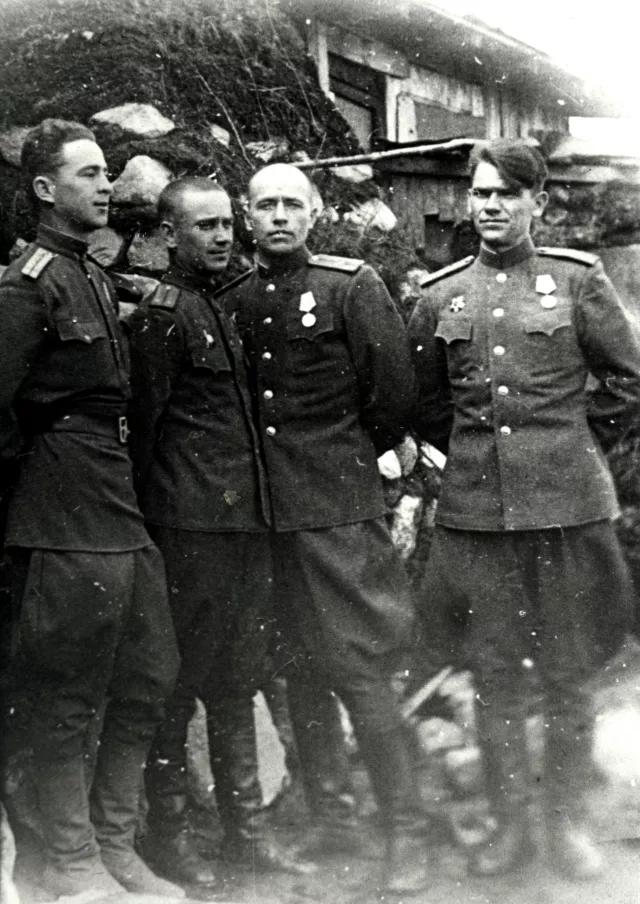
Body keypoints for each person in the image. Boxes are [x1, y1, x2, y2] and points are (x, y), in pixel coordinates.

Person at [408, 139, 640, 880]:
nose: (492, 207)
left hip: (568, 512)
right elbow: (425, 401)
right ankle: (512, 829)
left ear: (538, 201)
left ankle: (563, 824)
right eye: (481, 194)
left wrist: (567, 442)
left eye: (508, 194)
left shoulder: (577, 281)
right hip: (480, 518)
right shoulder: (441, 295)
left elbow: (629, 380)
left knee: (570, 674)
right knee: (495, 674)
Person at [221, 163, 426, 894]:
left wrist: (342, 469)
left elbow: (391, 396)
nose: (278, 216)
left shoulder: (350, 286)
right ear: (247, 217)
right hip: (267, 522)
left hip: (336, 516)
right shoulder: (234, 298)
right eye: (265, 205)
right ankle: (333, 820)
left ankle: (406, 828)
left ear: (314, 214)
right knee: (296, 671)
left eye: (291, 205)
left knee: (359, 670)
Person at [0, 119, 181, 899]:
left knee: (149, 673)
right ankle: (70, 864)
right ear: (45, 189)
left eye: (108, 173)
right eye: (89, 174)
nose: (107, 185)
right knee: (67, 692)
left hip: (116, 504)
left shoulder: (96, 277)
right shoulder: (28, 283)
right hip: (62, 508)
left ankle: (114, 847)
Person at [128, 176, 314, 887]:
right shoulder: (161, 318)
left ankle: (249, 836)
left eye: (225, 223)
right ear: (169, 236)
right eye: (202, 226)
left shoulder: (225, 307)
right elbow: (144, 434)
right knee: (174, 691)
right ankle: (172, 839)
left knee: (237, 683)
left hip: (240, 534)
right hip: (186, 536)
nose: (221, 236)